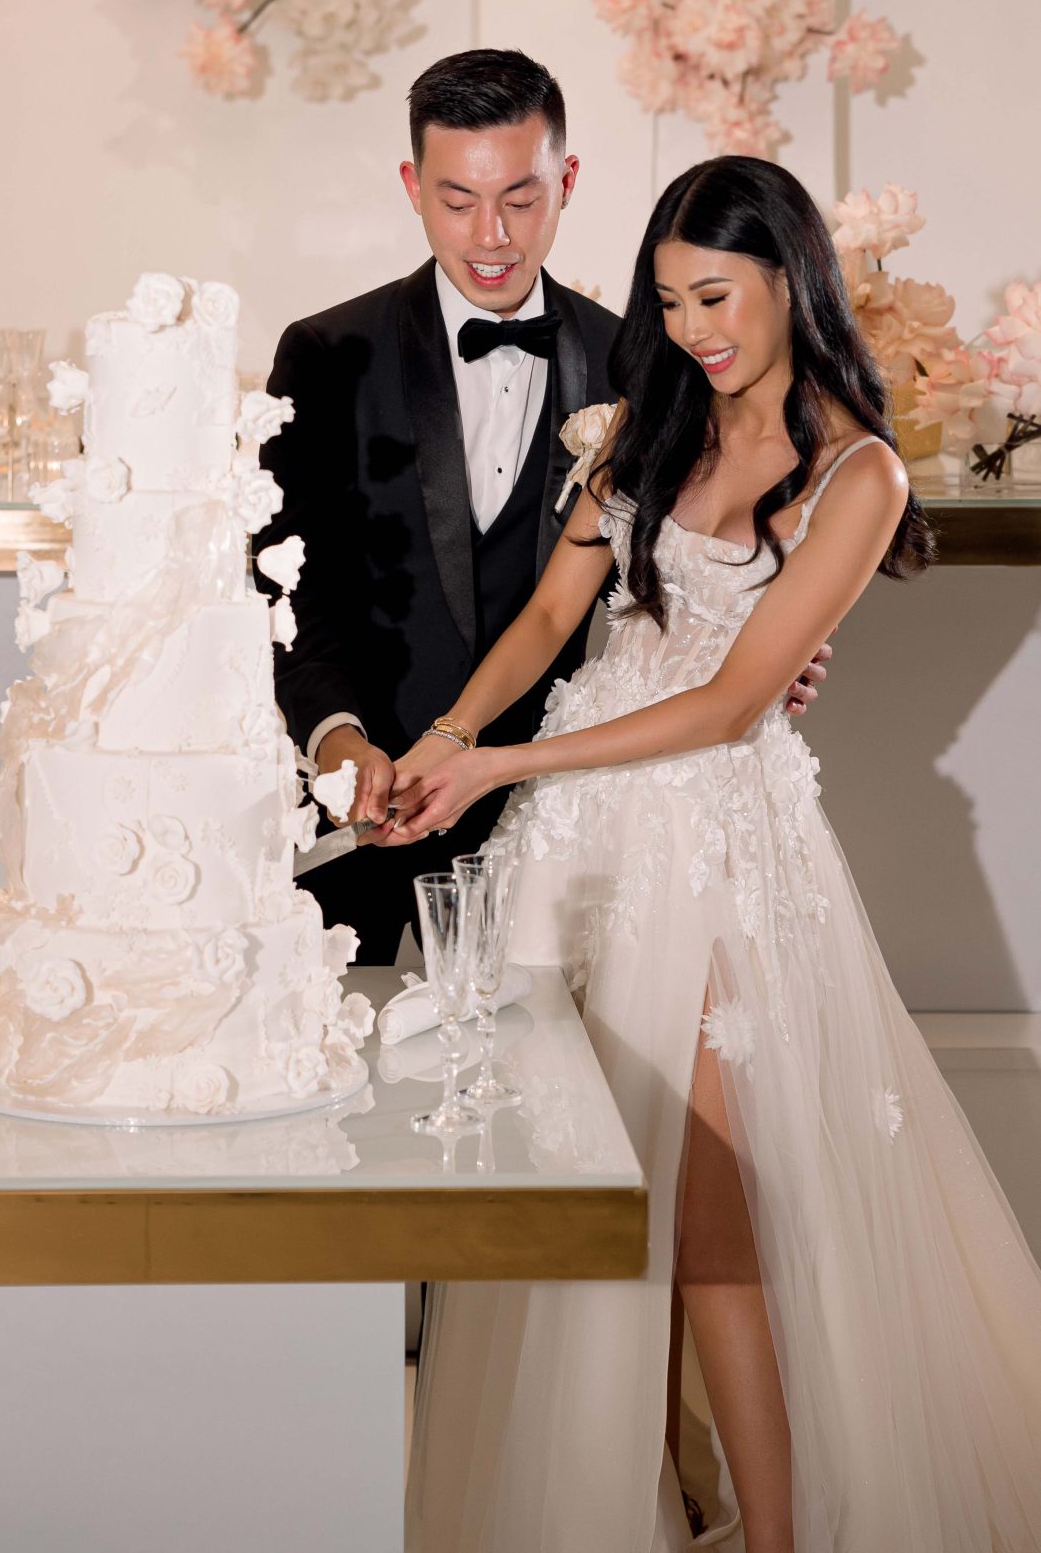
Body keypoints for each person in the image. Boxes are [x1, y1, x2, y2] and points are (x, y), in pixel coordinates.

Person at [399, 155, 1041, 1551]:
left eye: (717, 296)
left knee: (707, 1221)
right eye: (672, 299)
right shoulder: (643, 429)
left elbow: (735, 700)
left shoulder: (857, 474)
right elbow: (548, 622)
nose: (692, 327)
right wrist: (450, 736)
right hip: (573, 849)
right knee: (568, 1197)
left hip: (708, 855)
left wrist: (498, 766)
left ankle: (776, 1533)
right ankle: (632, 1499)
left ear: (790, 282)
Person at [256, 52, 826, 964]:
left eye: (520, 200)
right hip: (352, 800)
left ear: (566, 182)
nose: (491, 235)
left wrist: (761, 636)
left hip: (553, 805)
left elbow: (692, 545)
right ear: (411, 187)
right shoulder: (326, 354)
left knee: (534, 1050)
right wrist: (337, 742)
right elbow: (289, 591)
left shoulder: (645, 364)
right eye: (457, 201)